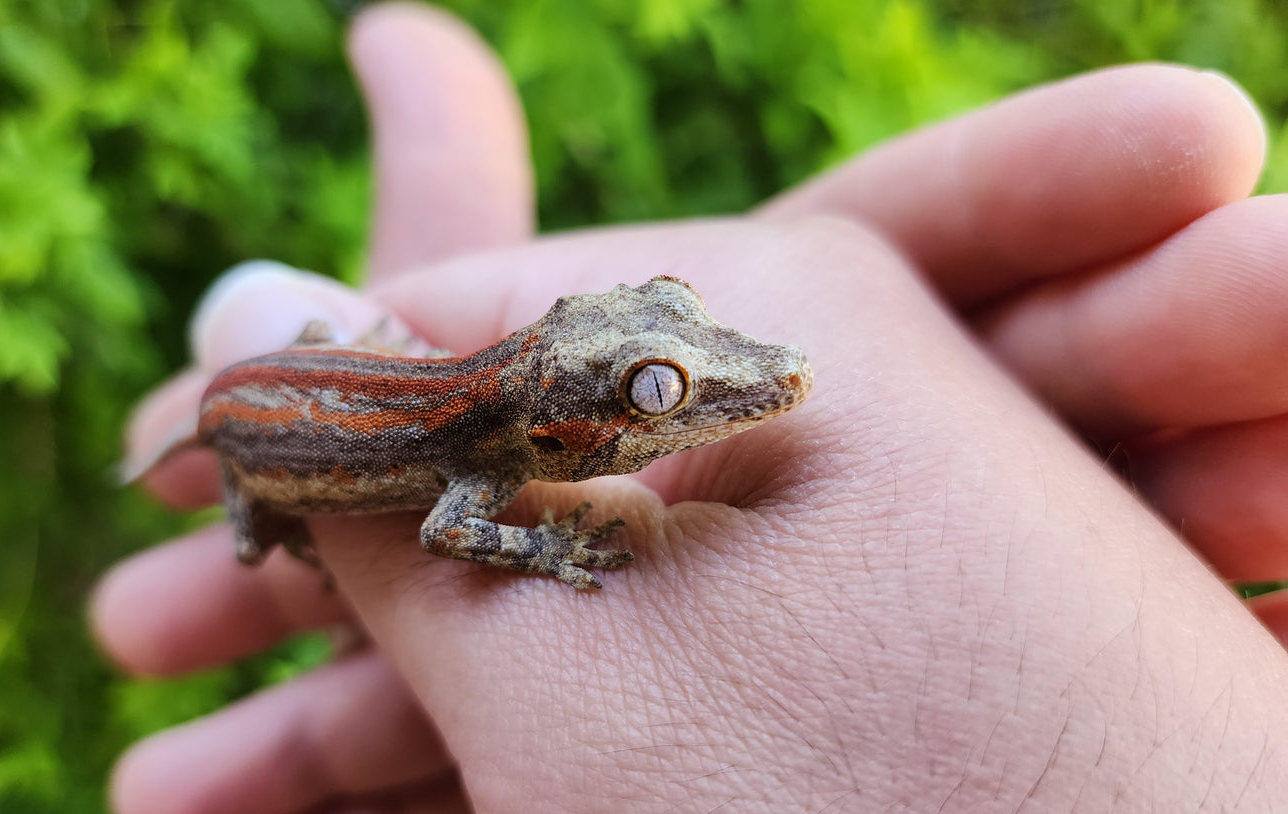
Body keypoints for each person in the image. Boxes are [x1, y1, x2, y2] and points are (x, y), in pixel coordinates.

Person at [93, 4, 1288, 812]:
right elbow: (444, 533)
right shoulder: (477, 464)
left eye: (670, 340)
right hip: (267, 442)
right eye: (657, 393)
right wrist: (536, 542)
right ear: (565, 434)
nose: (746, 378)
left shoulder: (494, 407)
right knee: (254, 533)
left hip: (319, 382)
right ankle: (247, 492)